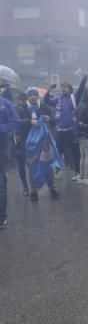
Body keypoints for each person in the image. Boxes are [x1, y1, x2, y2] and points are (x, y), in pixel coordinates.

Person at [18, 88, 59, 201]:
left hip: (44, 142)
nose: (32, 97)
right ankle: (33, 190)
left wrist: (49, 119)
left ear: (37, 97)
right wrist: (29, 122)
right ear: (27, 97)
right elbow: (18, 122)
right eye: (30, 95)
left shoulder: (44, 107)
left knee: (49, 165)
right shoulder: (22, 109)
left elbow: (53, 121)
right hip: (29, 143)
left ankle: (53, 188)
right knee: (32, 167)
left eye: (34, 95)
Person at [45, 74, 87, 180]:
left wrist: (84, 78)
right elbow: (47, 101)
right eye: (62, 87)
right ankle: (58, 171)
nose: (63, 88)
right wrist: (48, 91)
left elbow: (81, 89)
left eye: (66, 87)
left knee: (75, 153)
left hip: (71, 130)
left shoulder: (74, 99)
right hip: (60, 131)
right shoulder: (58, 100)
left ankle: (77, 172)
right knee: (58, 152)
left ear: (70, 89)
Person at [0, 95, 21, 229]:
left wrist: (1, 128)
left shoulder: (5, 103)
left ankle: (1, 217)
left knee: (1, 182)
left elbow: (16, 122)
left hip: (2, 144)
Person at [12, 93, 30, 196]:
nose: (22, 101)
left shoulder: (29, 109)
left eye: (24, 99)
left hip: (27, 140)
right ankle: (25, 187)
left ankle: (30, 187)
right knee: (21, 167)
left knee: (29, 165)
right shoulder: (14, 109)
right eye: (20, 99)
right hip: (17, 141)